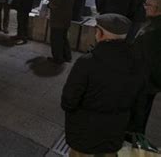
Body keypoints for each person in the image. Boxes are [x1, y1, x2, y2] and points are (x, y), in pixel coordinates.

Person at [61, 14, 145, 156]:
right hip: (116, 126)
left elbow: (70, 99)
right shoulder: (138, 61)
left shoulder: (87, 62)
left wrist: (70, 110)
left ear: (100, 34)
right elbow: (140, 97)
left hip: (85, 127)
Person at [129, 0, 161, 134]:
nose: (145, 8)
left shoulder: (152, 32)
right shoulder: (153, 24)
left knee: (137, 114)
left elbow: (144, 60)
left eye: (148, 5)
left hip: (143, 82)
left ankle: (131, 141)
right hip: (150, 82)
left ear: (157, 9)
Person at [47, 0, 76, 64]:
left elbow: (55, 3)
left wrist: (49, 4)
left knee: (56, 39)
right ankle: (67, 56)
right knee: (63, 37)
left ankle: (58, 58)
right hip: (66, 17)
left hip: (58, 18)